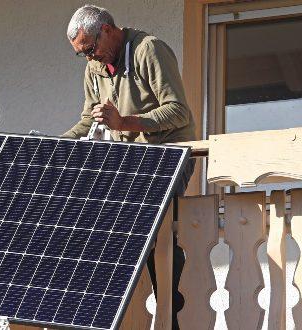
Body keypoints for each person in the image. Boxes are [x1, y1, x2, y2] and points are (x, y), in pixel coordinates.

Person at [65, 5, 197, 329]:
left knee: (154, 230)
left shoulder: (148, 50)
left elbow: (179, 111)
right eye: (82, 54)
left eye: (91, 49)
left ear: (108, 30)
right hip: (132, 162)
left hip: (169, 154)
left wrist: (125, 122)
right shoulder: (94, 69)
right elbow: (88, 120)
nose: (90, 59)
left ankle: (169, 310)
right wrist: (56, 145)